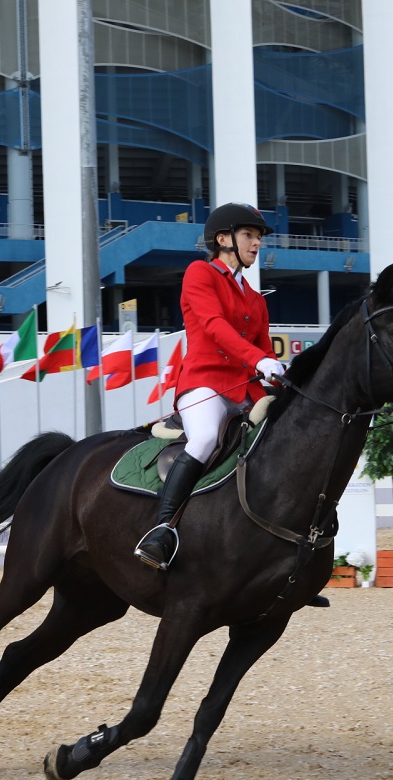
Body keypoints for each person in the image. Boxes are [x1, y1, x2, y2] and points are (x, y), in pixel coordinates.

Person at [134, 203, 283, 572]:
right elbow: (215, 327)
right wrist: (259, 361)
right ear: (223, 239)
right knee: (204, 440)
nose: (257, 243)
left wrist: (276, 371)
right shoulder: (199, 274)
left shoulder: (253, 296)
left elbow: (264, 346)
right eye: (250, 235)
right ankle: (161, 530)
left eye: (259, 237)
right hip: (206, 385)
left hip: (248, 391)